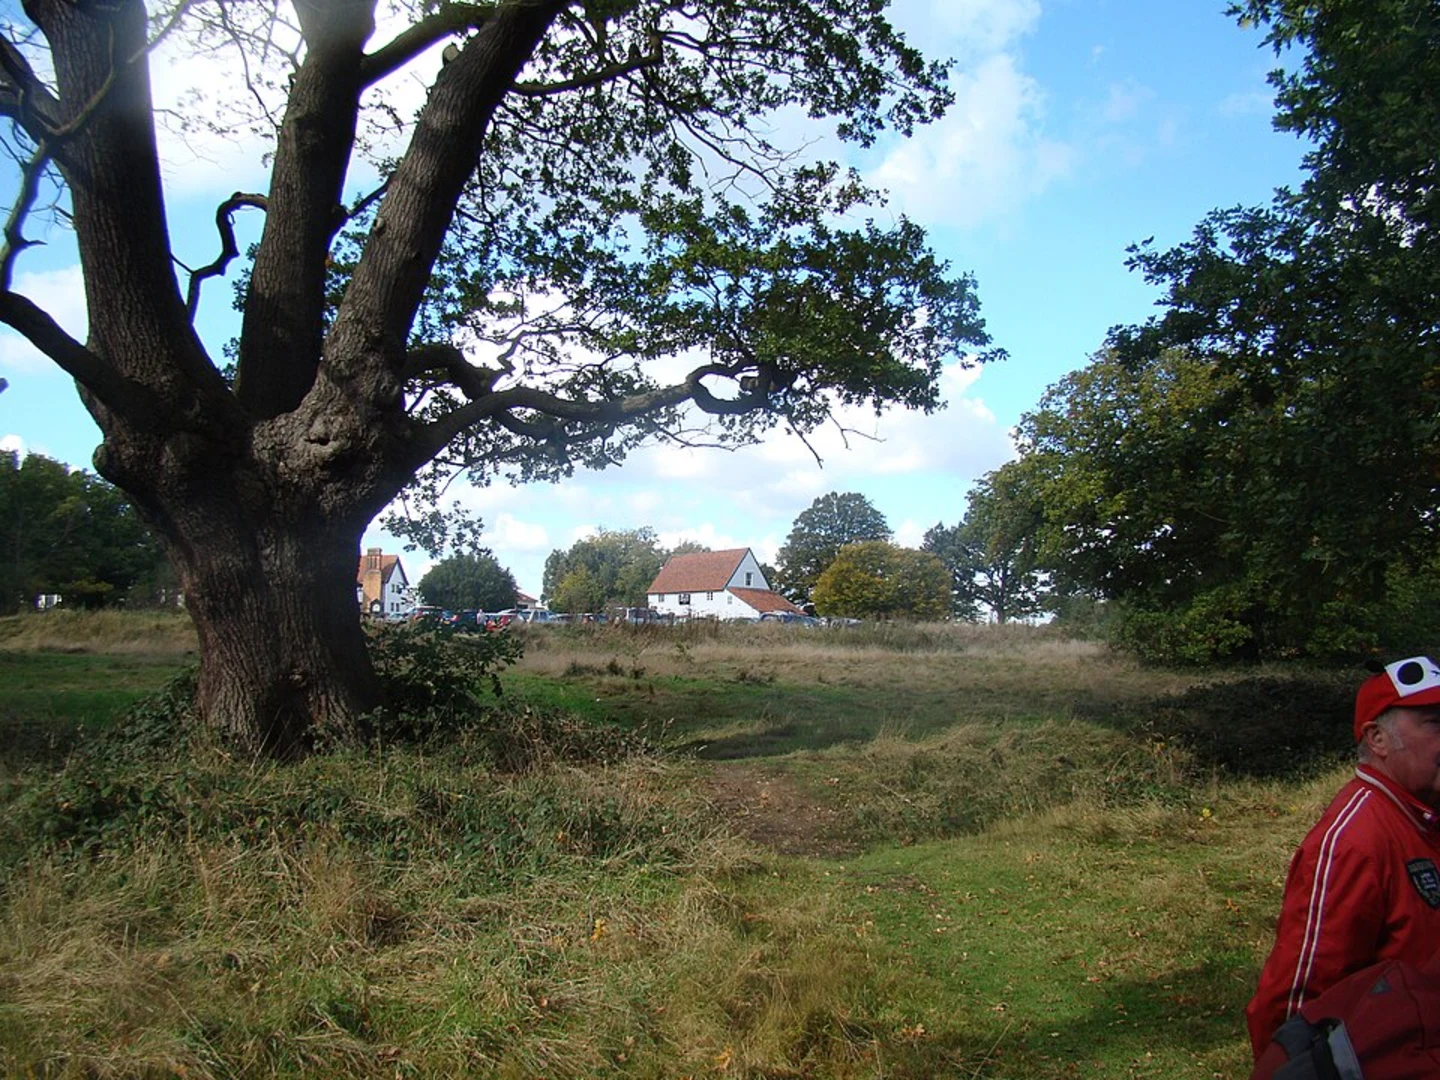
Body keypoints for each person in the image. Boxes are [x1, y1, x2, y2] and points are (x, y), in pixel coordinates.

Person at [1246, 655, 1440, 1059]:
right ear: (1377, 739)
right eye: (1435, 723)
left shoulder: (1422, 818)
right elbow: (1292, 1008)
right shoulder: (1353, 841)